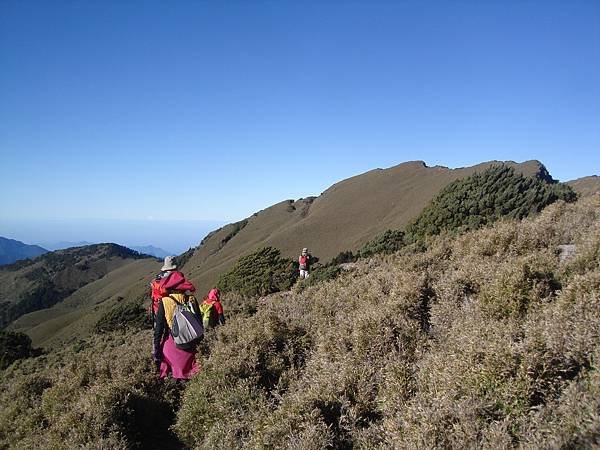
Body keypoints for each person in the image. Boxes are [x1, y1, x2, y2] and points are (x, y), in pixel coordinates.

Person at [152, 256, 200, 380]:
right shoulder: (192, 299)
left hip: (174, 346)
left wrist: (156, 350)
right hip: (192, 346)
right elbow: (199, 324)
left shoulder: (165, 301)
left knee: (165, 353)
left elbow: (159, 331)